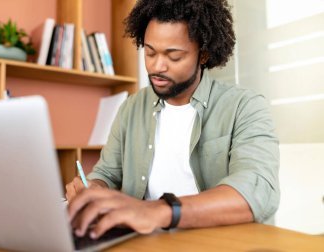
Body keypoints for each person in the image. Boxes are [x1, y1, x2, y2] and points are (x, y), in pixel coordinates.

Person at [66, 0, 280, 240]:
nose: (157, 66)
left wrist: (158, 210)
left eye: (174, 56)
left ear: (204, 55)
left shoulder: (245, 107)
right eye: (149, 52)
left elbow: (257, 190)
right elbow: (106, 173)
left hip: (218, 242)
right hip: (145, 242)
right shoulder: (131, 108)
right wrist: (94, 188)